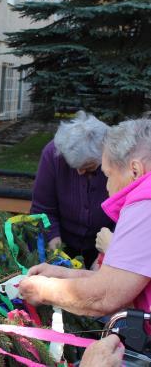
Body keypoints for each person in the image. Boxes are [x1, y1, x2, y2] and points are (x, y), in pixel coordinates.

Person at [19, 119, 151, 318]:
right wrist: (63, 273)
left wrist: (43, 290)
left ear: (135, 170)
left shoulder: (144, 206)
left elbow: (105, 295)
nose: (107, 188)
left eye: (107, 175)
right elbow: (119, 281)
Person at [30, 111, 114, 267]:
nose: (79, 172)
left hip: (106, 244)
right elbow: (43, 209)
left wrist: (104, 256)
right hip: (63, 242)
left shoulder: (116, 159)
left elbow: (124, 213)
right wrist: (56, 251)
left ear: (103, 155)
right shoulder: (52, 154)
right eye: (73, 166)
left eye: (87, 166)